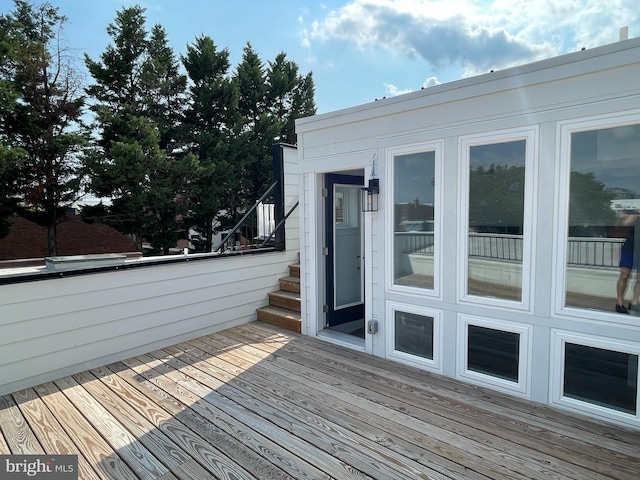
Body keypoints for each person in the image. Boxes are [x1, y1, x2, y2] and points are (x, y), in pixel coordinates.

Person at [616, 208, 640, 314]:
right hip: (630, 248)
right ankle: (619, 303)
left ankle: (635, 303)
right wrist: (623, 216)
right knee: (624, 275)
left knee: (639, 278)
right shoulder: (635, 213)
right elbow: (624, 224)